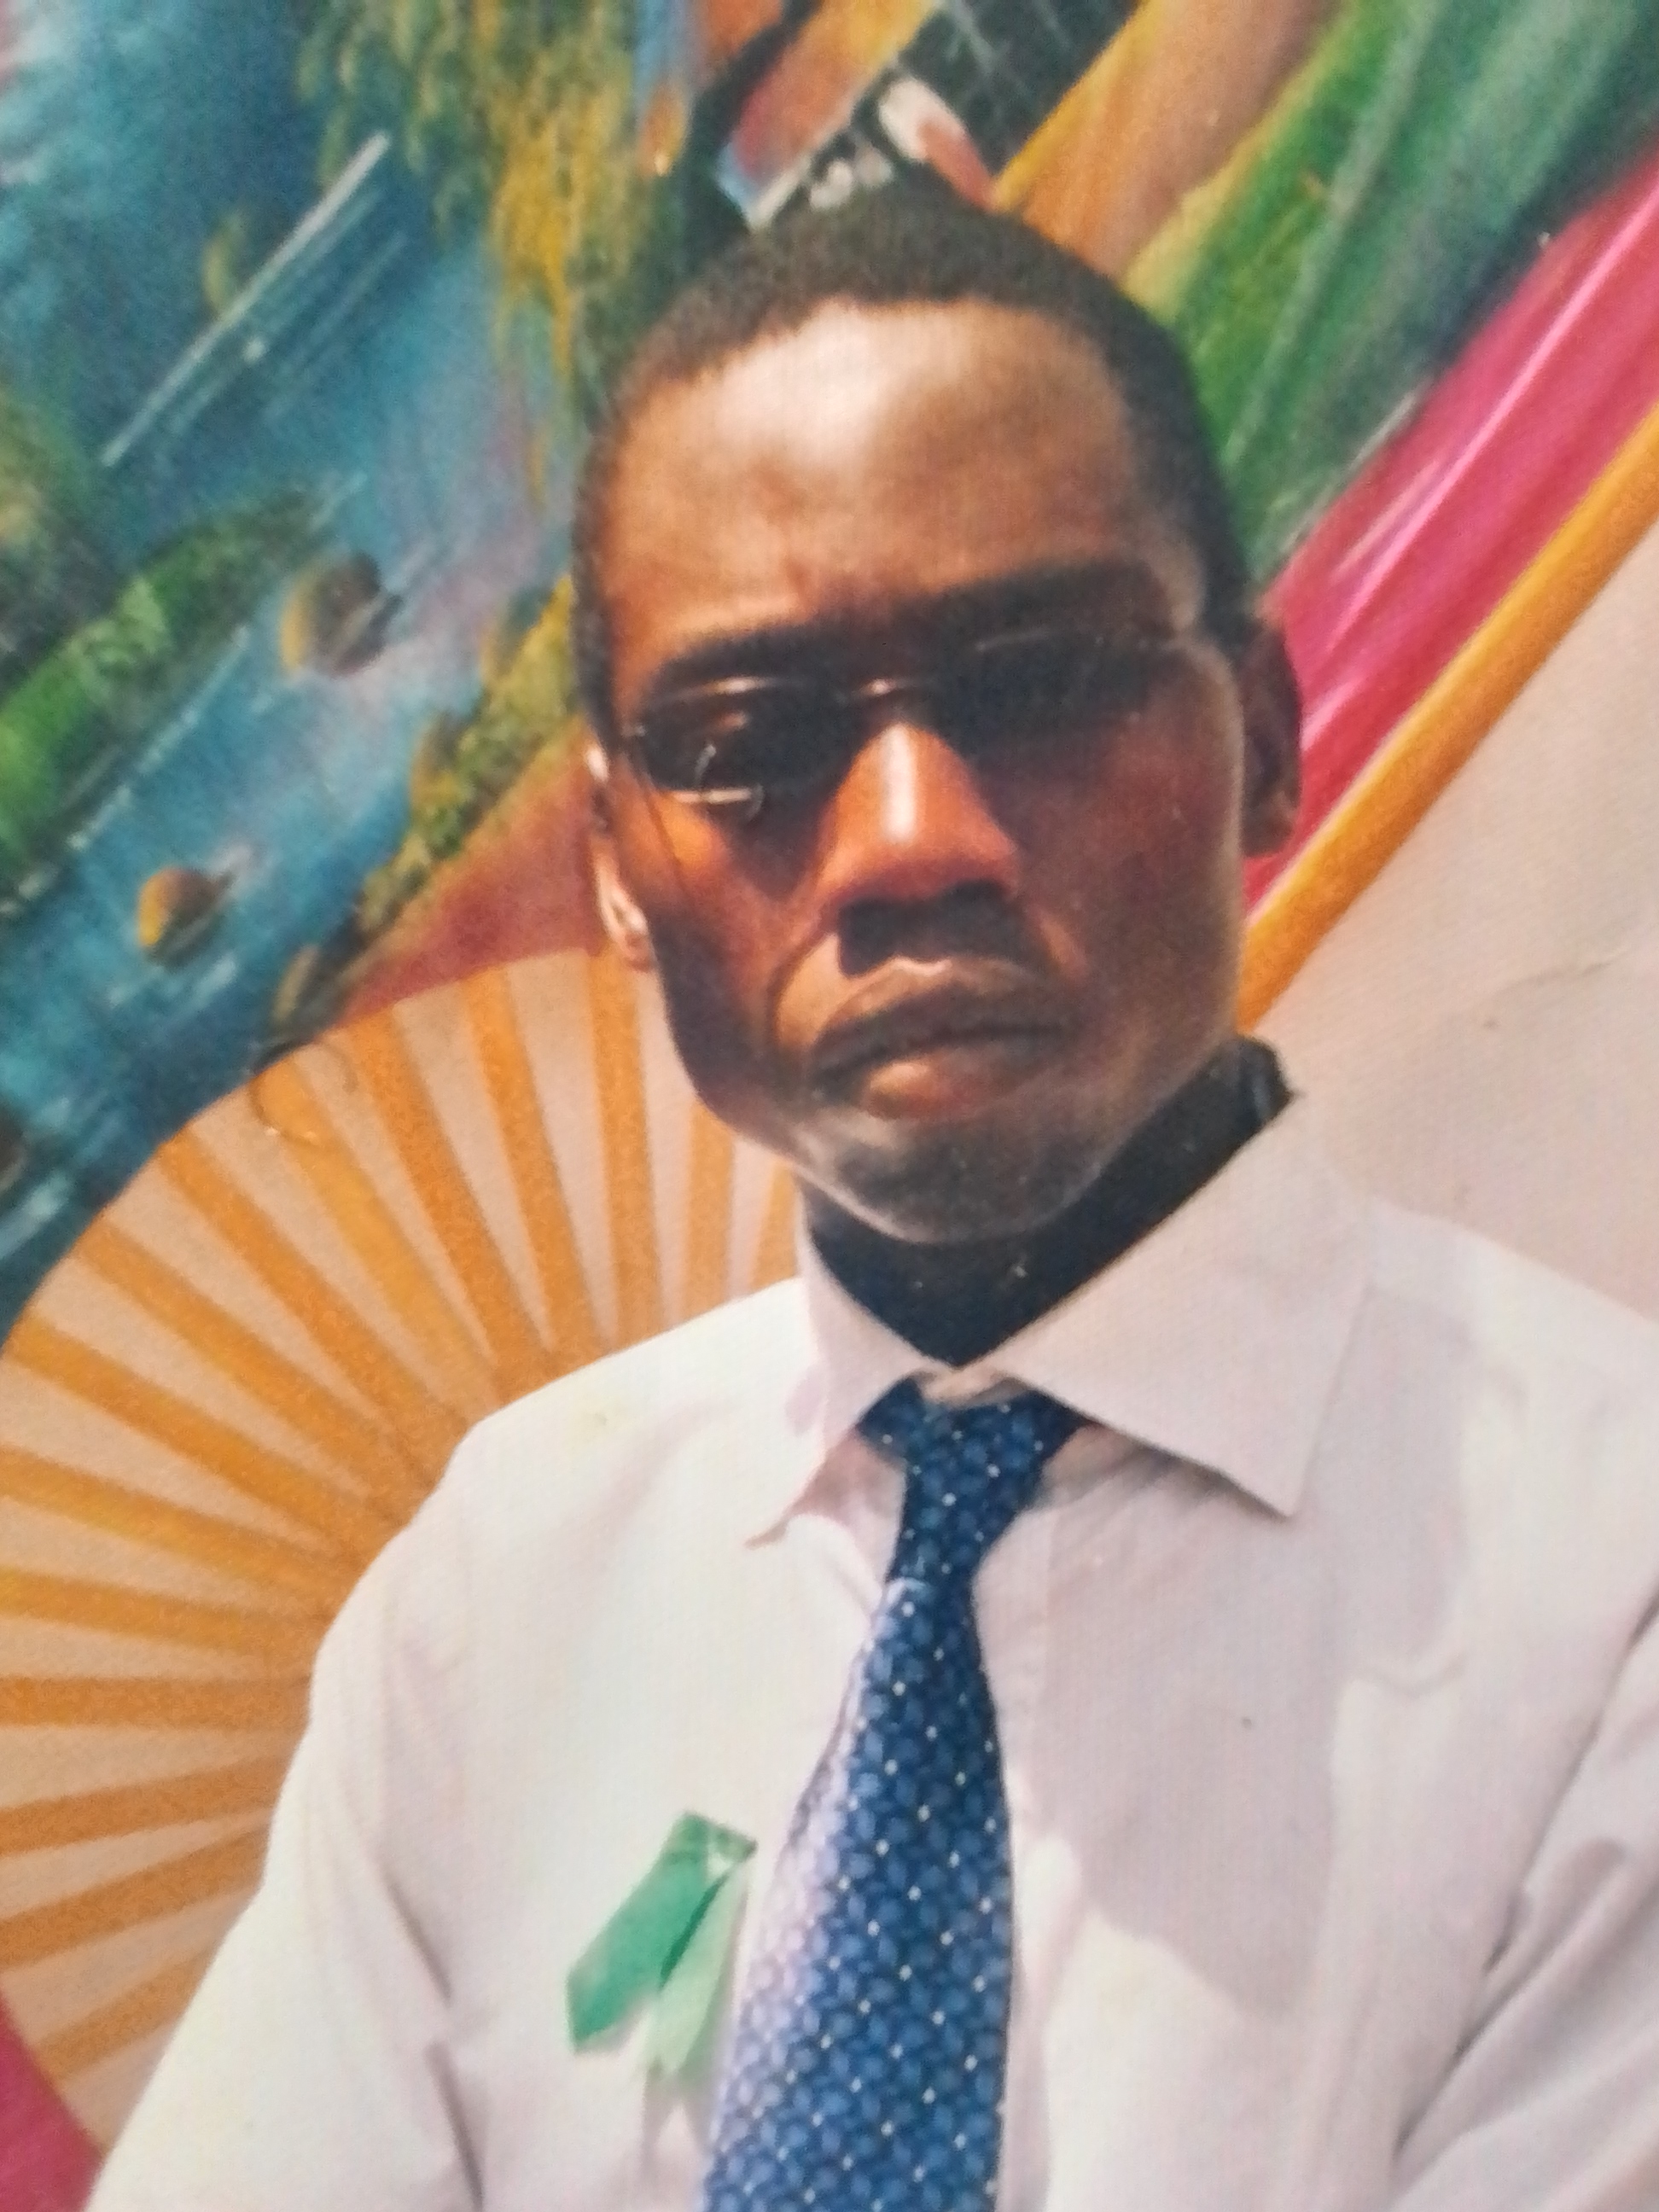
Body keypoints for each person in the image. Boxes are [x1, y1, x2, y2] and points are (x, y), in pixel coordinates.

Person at [92, 183, 1659, 2212]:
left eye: (1043, 678)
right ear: (614, 871)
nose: (913, 838)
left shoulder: (1609, 1582)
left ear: (1263, 742)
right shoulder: (506, 1585)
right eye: (749, 740)